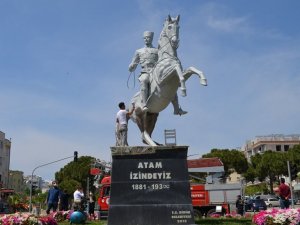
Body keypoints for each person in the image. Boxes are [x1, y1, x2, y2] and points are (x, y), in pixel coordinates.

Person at [129, 31, 187, 115]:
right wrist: (131, 67)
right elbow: (132, 65)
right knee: (144, 80)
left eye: (148, 38)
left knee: (170, 83)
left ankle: (177, 108)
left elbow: (162, 60)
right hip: (145, 72)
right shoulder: (139, 51)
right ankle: (144, 104)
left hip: (155, 71)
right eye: (145, 38)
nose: (146, 39)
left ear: (151, 39)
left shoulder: (156, 50)